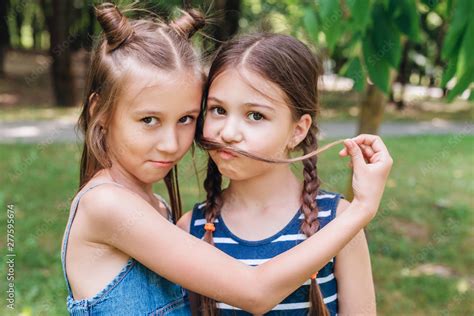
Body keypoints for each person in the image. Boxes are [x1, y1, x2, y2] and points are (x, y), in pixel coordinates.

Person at [61, 4, 393, 315]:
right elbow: (255, 291)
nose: (171, 143)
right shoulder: (109, 205)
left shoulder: (156, 207)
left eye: (187, 118)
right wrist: (362, 209)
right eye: (149, 120)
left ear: (298, 129)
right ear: (99, 113)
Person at [180, 33, 385, 315]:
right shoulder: (192, 229)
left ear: (298, 130)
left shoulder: (338, 224)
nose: (227, 133)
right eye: (218, 110)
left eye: (255, 115)